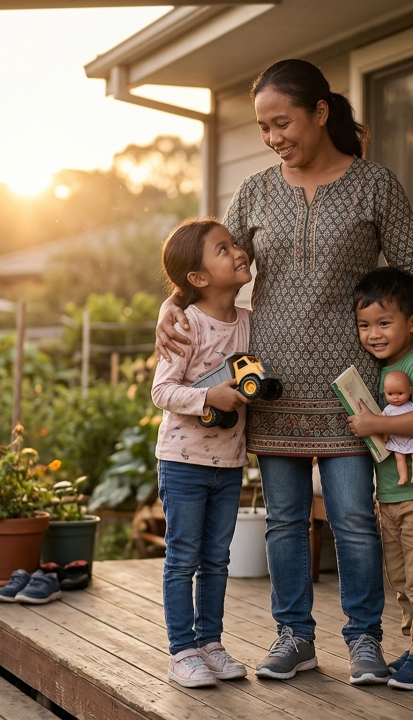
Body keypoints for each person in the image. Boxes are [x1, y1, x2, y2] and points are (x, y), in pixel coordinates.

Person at [154, 58, 413, 685]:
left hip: (352, 390)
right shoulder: (258, 191)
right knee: (287, 521)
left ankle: (364, 642)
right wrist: (170, 305)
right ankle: (294, 637)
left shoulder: (374, 185)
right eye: (263, 127)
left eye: (282, 122)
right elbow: (211, 265)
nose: (273, 137)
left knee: (352, 519)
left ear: (319, 113)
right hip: (271, 384)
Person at [150, 217, 254, 688]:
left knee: (217, 559)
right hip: (183, 463)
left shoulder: (250, 324)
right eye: (222, 249)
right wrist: (210, 398)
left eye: (235, 245)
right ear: (198, 278)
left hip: (229, 464)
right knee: (183, 558)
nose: (238, 252)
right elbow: (162, 391)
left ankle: (210, 643)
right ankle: (182, 651)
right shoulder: (184, 325)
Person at [345, 267, 413, 691]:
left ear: (412, 323)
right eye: (365, 324)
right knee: (403, 581)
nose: (373, 333)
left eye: (384, 323)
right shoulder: (379, 368)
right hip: (390, 497)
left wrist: (373, 423)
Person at [380, 370, 413, 485]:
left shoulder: (411, 405)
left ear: (410, 390)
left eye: (400, 393)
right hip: (397, 440)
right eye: (390, 394)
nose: (395, 398)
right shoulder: (388, 409)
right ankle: (403, 476)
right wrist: (385, 435)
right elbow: (381, 421)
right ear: (385, 393)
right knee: (399, 458)